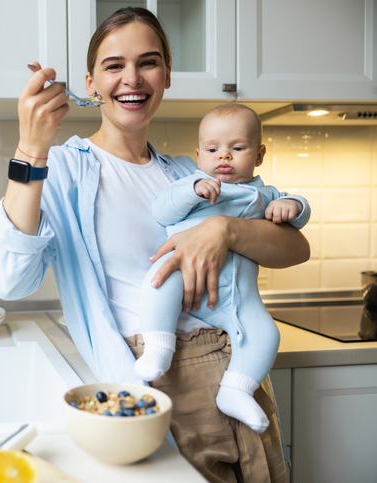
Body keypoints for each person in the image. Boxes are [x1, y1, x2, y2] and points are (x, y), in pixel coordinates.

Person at [0, 7, 309, 482]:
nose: (132, 78)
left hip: (242, 368)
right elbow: (7, 281)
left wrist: (225, 231)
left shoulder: (189, 174)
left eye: (148, 62)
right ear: (91, 82)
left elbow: (295, 250)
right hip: (162, 383)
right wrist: (31, 148)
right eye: (114, 66)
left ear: (167, 75)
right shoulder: (67, 170)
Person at [134, 103, 310, 434]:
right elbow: (162, 210)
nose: (223, 157)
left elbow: (299, 220)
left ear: (259, 155)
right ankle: (159, 346)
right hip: (183, 278)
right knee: (159, 281)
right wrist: (191, 191)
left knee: (265, 333)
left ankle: (236, 390)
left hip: (237, 298)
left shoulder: (263, 195)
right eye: (213, 150)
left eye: (237, 148)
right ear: (199, 155)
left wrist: (293, 206)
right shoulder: (193, 185)